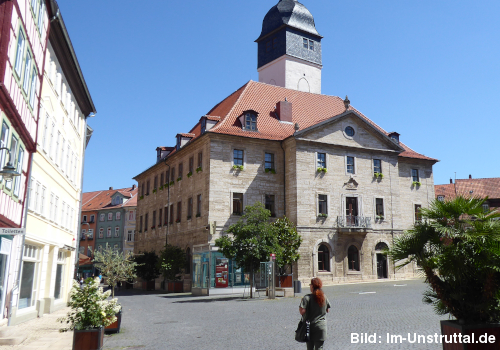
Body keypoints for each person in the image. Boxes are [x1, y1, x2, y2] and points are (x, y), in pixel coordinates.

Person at [299, 278, 331, 350]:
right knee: (319, 348)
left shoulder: (307, 298)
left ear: (312, 286)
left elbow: (302, 312)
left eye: (310, 285)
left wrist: (301, 304)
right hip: (321, 327)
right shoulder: (324, 297)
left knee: (310, 348)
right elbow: (327, 310)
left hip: (310, 327)